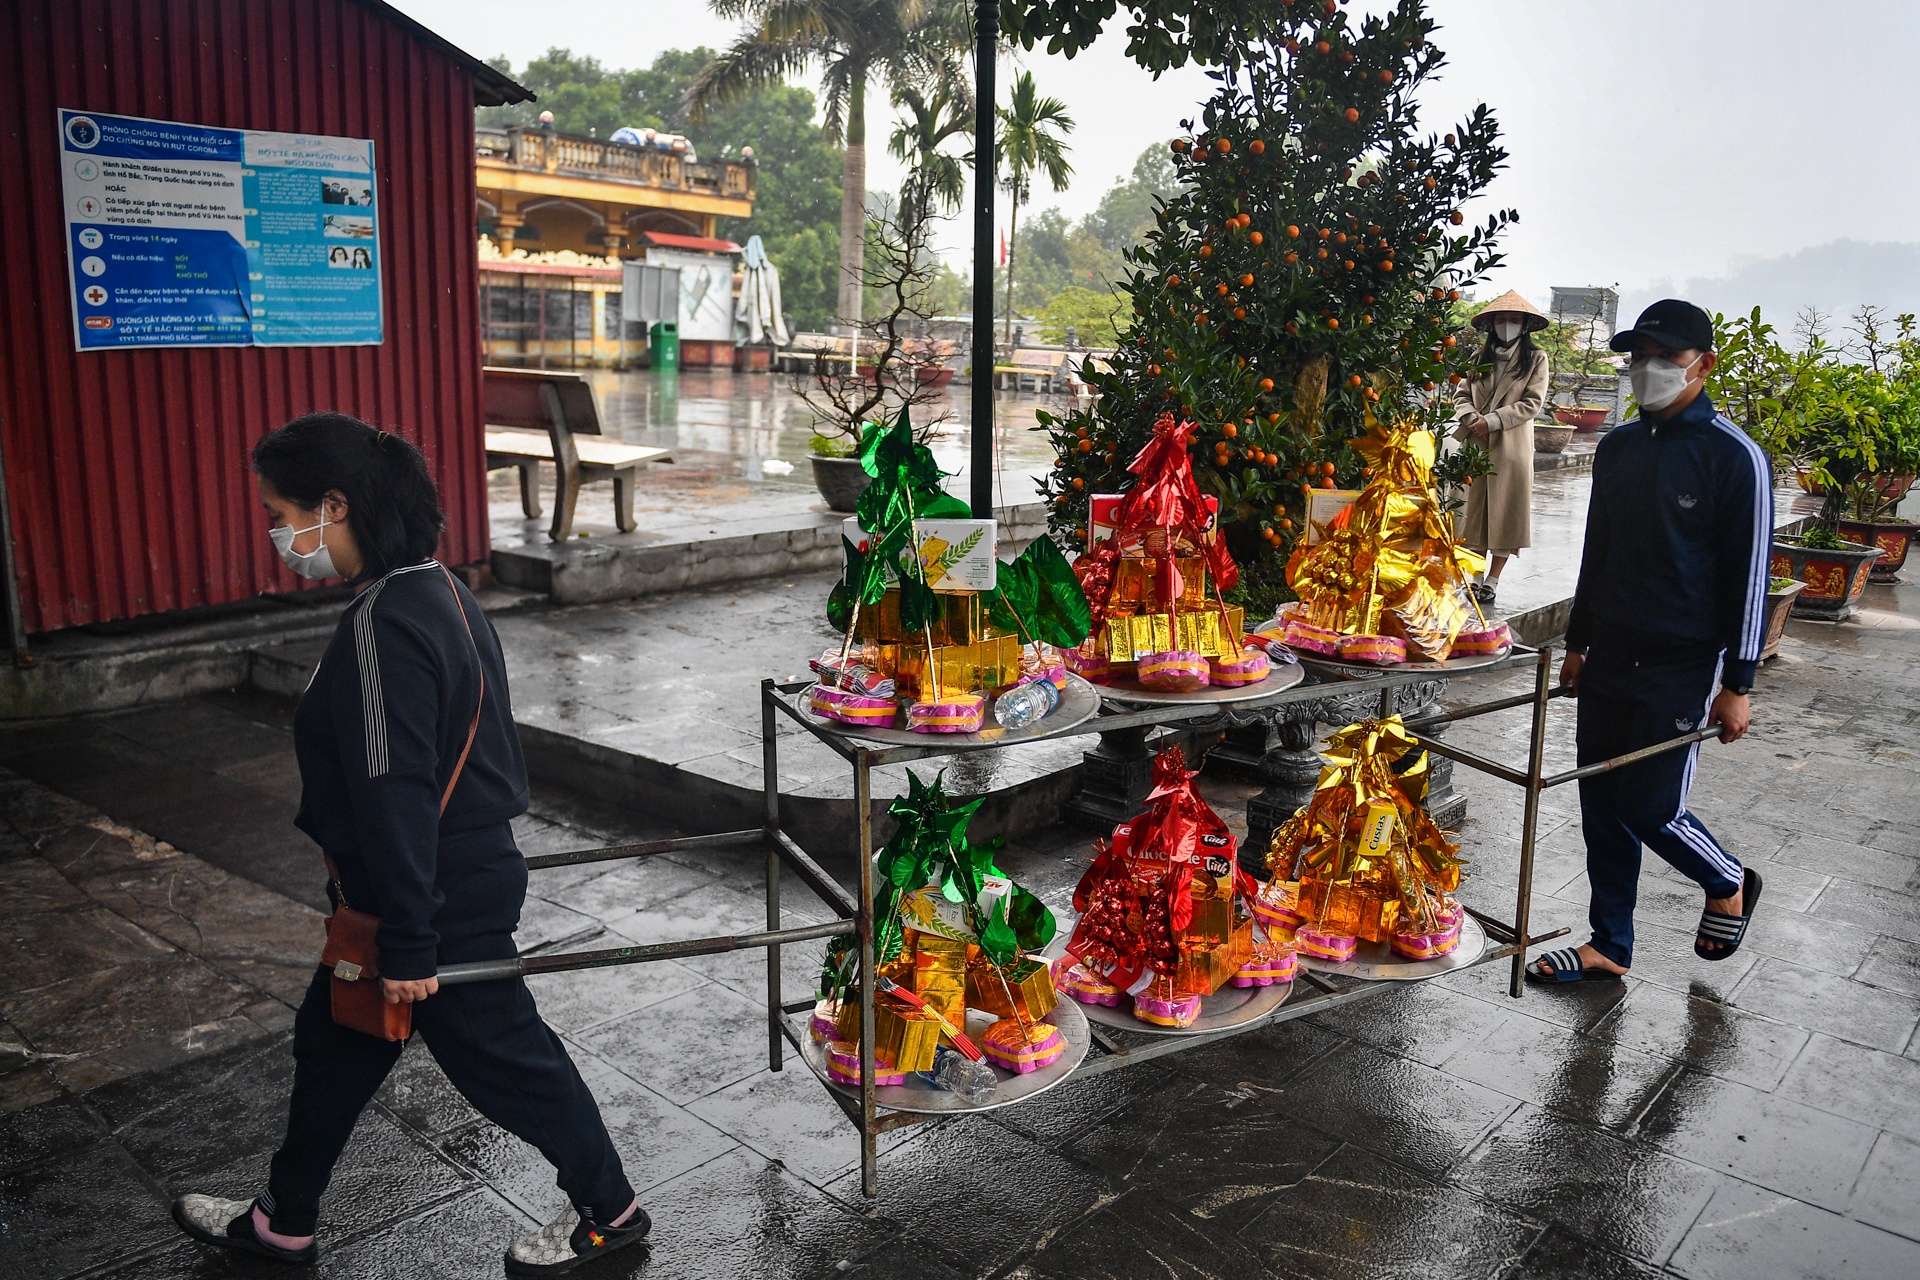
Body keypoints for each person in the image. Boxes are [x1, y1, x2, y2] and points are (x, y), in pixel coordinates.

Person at [171, 414, 648, 1275]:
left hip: (427, 895)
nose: (280, 535)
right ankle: (283, 1221)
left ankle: (610, 1210)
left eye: (282, 514)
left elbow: (396, 794)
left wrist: (411, 938)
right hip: (423, 887)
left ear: (335, 504)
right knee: (333, 1049)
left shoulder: (385, 625)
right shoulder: (438, 590)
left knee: (507, 1063)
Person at [1529, 299, 1769, 984]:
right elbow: (1596, 553)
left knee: (1650, 805)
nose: (1650, 370)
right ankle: (1610, 944)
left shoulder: (1734, 457)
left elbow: (1749, 576)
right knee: (1600, 803)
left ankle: (1726, 879)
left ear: (1704, 364)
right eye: (1640, 357)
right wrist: (1576, 644)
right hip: (1610, 655)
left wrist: (1739, 684)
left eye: (1667, 357)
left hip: (1684, 663)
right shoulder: (1619, 447)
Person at [1452, 290, 1550, 606]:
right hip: (1475, 446)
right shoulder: (1477, 359)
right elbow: (1460, 394)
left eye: (1514, 319)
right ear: (1492, 324)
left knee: (1506, 513)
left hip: (1511, 448)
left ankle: (1493, 580)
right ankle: (1476, 578)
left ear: (1525, 325)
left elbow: (1532, 402)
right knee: (1474, 514)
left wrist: (1492, 421)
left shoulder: (1536, 359)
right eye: (1501, 319)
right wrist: (1471, 417)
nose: (1507, 324)